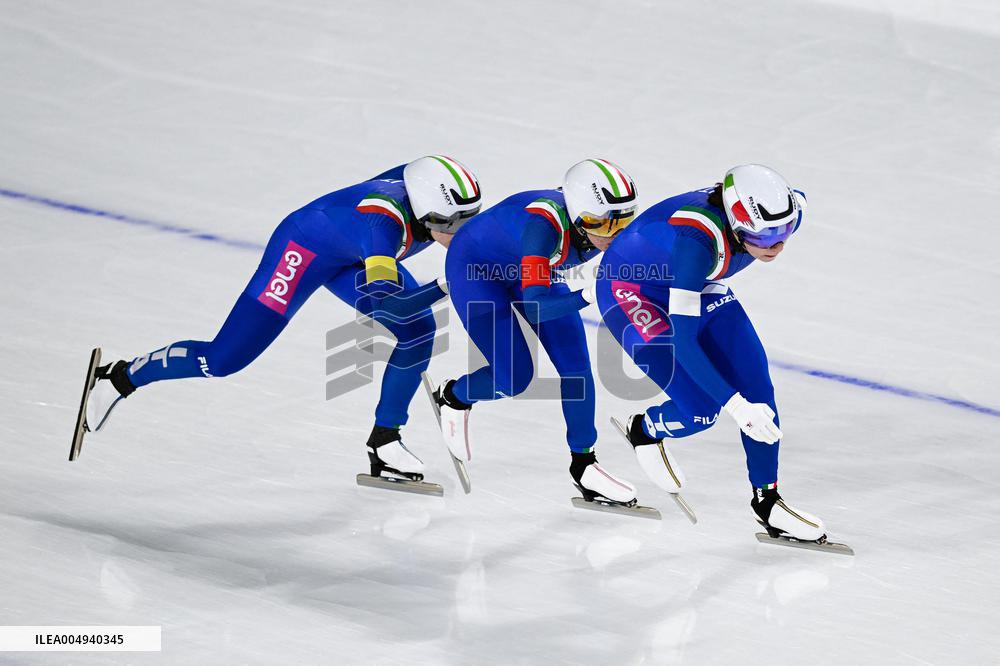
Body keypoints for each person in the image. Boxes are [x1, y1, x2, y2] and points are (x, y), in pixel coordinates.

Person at [82, 156, 482, 483]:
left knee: (418, 332)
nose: (465, 231)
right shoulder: (384, 230)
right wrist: (444, 286)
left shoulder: (422, 193)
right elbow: (389, 308)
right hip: (303, 250)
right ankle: (118, 377)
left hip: (351, 251)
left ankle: (385, 440)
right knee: (223, 360)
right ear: (428, 214)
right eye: (455, 224)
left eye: (471, 218)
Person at [596, 164, 828, 541]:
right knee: (702, 411)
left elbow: (781, 210)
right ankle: (645, 429)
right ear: (737, 227)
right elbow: (684, 342)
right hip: (633, 290)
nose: (777, 244)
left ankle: (767, 501)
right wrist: (736, 408)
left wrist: (747, 403)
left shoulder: (779, 210)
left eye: (784, 230)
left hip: (695, 282)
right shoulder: (698, 244)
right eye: (765, 235)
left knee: (758, 389)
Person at [430, 159, 640, 505]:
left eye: (623, 222)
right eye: (598, 224)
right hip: (477, 273)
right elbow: (537, 307)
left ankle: (584, 465)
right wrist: (588, 294)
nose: (611, 235)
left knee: (577, 370)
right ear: (577, 215)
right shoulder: (544, 229)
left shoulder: (595, 225)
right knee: (513, 379)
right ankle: (454, 396)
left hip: (531, 269)